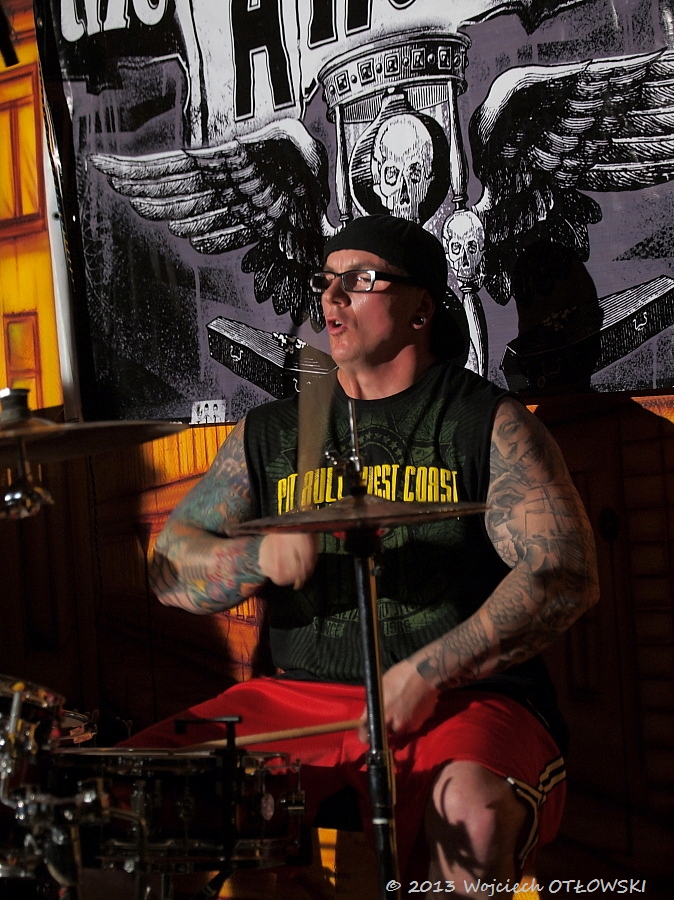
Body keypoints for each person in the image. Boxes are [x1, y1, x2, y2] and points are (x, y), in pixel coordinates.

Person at [132, 214, 599, 890]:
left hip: (461, 697)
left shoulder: (482, 421)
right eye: (326, 281)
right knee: (145, 790)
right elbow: (168, 566)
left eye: (360, 280)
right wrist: (256, 559)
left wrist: (431, 670)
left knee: (470, 815)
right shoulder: (272, 433)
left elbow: (565, 574)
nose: (332, 297)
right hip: (300, 697)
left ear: (421, 308)